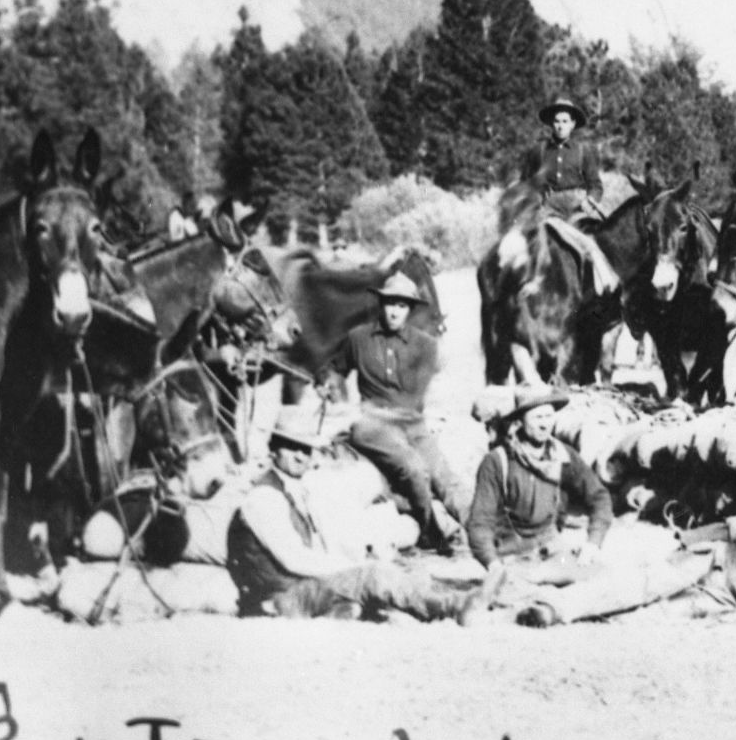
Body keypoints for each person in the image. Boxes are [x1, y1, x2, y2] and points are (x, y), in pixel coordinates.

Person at [512, 445, 736, 624]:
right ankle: (553, 608)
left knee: (650, 618)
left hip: (729, 600)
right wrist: (688, 539)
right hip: (715, 563)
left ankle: (557, 592)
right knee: (643, 584)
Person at [226, 398, 491, 623]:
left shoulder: (299, 489)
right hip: (279, 597)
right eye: (291, 447)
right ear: (273, 449)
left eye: (306, 449)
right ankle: (455, 608)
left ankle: (468, 599)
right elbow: (294, 560)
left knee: (391, 574)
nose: (300, 456)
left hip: (304, 587)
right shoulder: (263, 498)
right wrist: (356, 568)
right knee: (373, 577)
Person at [339, 265, 470, 551]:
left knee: (444, 476)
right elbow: (335, 371)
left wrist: (414, 421)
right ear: (380, 304)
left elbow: (416, 397)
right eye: (389, 304)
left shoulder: (425, 345)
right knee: (414, 468)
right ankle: (430, 531)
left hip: (411, 421)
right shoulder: (358, 338)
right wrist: (340, 403)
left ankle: (482, 532)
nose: (394, 312)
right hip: (372, 421)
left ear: (410, 309)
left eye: (401, 305)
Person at [468, 389, 616, 571]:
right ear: (520, 421)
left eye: (548, 416)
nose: (545, 425)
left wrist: (593, 543)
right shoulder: (497, 461)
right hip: (511, 556)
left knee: (593, 572)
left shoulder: (563, 455)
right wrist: (492, 563)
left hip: (552, 551)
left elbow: (599, 497)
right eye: (538, 418)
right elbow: (480, 522)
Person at [532, 97, 606, 218]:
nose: (560, 126)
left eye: (565, 121)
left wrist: (589, 202)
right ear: (551, 123)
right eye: (557, 121)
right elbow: (527, 183)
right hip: (548, 210)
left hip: (578, 208)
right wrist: (537, 200)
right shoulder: (540, 151)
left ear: (572, 124)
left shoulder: (583, 150)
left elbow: (596, 186)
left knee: (595, 233)